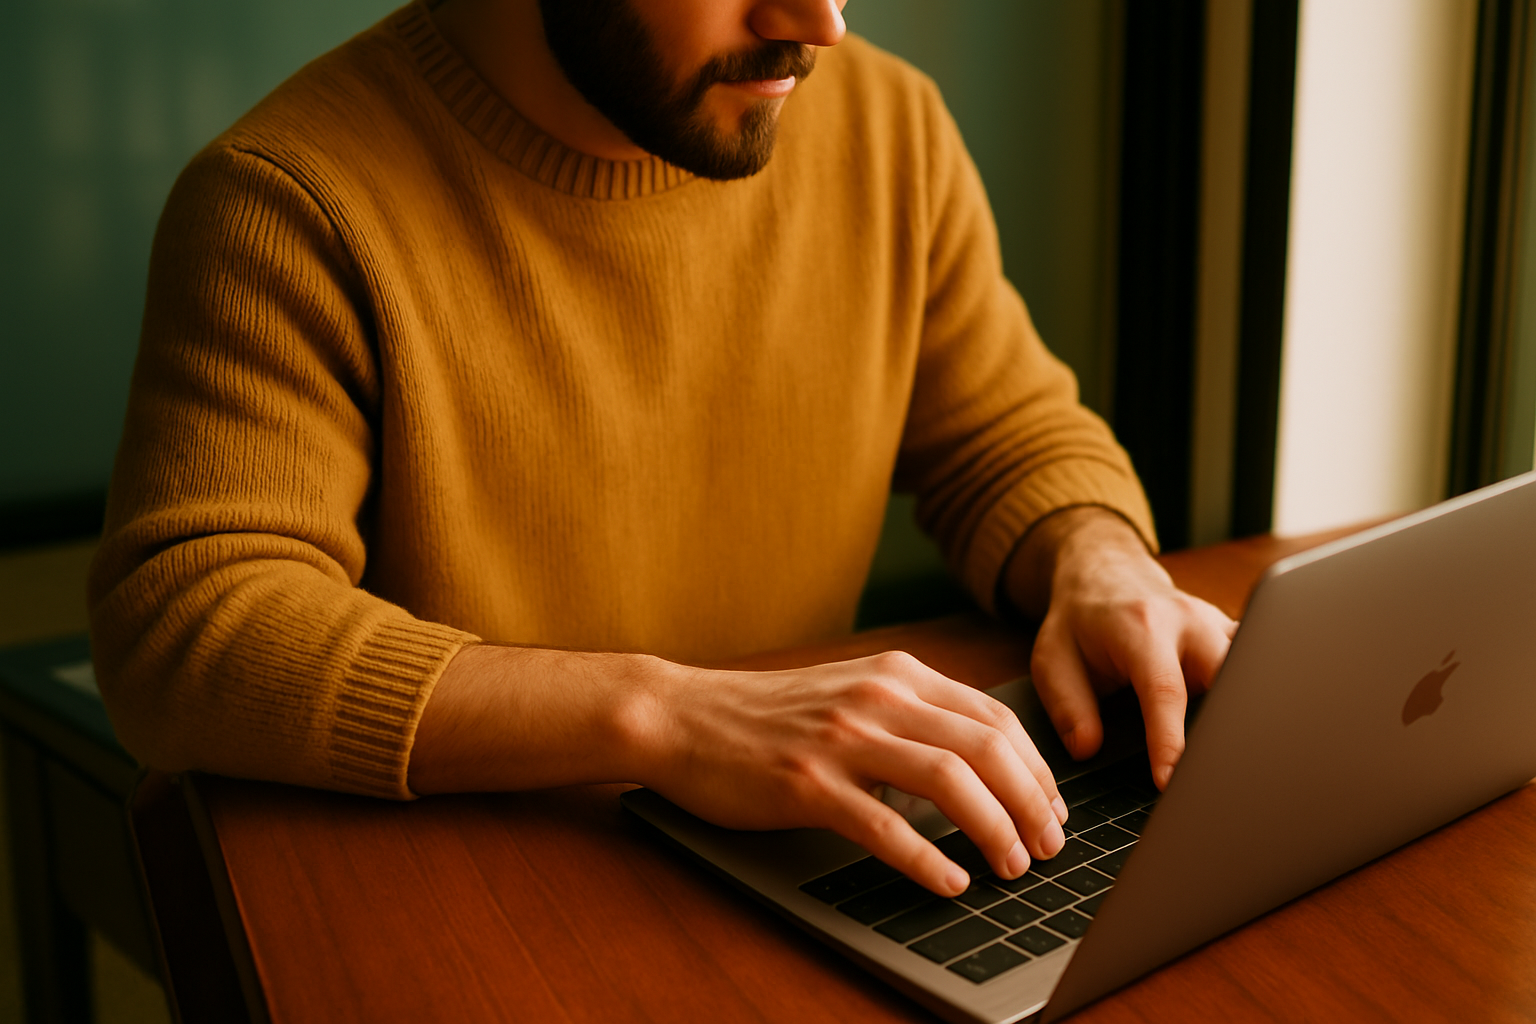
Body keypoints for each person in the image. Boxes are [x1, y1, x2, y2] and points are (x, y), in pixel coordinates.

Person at [88, 0, 1236, 900]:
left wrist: (1099, 558)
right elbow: (189, 624)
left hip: (796, 862)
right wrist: (664, 716)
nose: (818, 22)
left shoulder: (892, 129)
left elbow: (1004, 431)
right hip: (480, 896)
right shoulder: (287, 204)